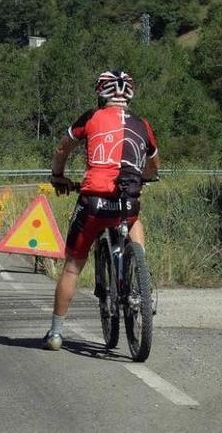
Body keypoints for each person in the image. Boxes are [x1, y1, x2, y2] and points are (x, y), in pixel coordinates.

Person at [43, 70, 160, 351]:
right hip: (127, 203)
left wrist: (58, 176)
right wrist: (142, 179)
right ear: (128, 95)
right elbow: (154, 164)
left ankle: (56, 333)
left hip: (93, 203)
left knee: (72, 267)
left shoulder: (90, 118)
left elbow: (62, 149)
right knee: (134, 222)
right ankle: (139, 277)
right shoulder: (142, 124)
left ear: (101, 93)